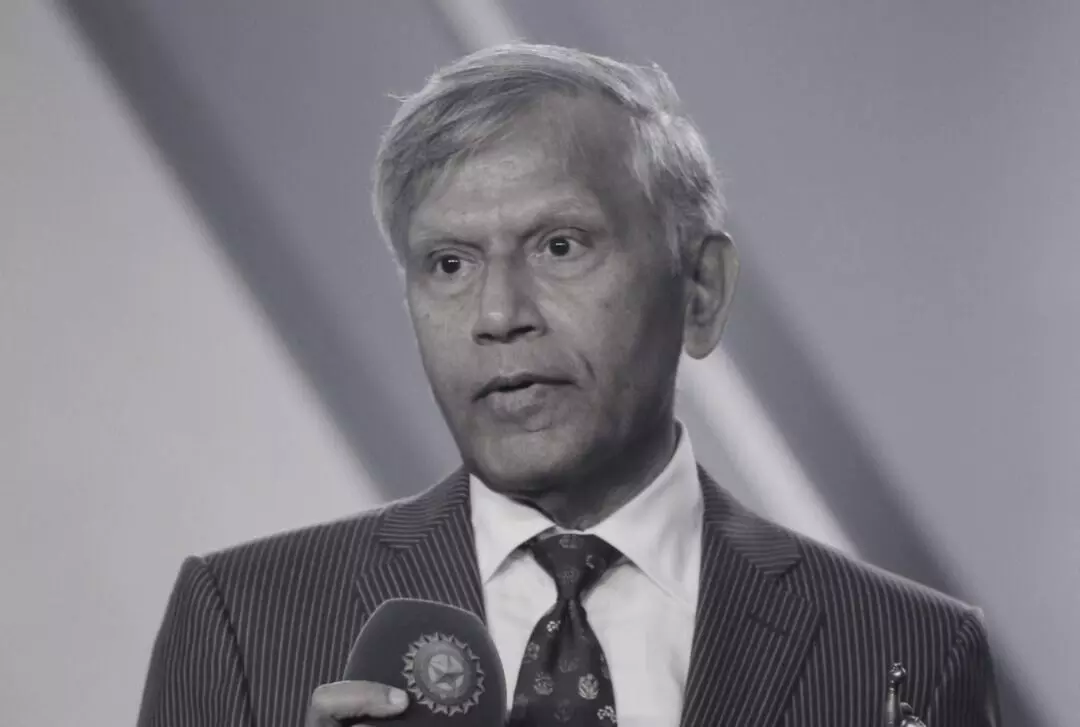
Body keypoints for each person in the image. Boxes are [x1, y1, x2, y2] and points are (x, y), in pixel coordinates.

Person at [137, 43, 1001, 727]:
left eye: (560, 246)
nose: (497, 314)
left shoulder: (913, 649)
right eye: (449, 263)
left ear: (700, 291)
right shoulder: (240, 622)